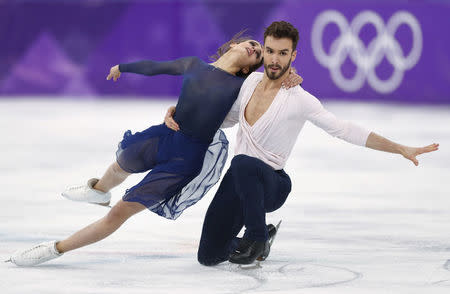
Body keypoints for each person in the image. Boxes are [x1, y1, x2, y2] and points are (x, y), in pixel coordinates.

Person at [6, 31, 302, 267]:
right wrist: (123, 67)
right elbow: (157, 68)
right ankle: (98, 190)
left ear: (252, 67)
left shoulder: (245, 83)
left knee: (118, 214)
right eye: (254, 44)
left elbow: (275, 77)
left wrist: (291, 75)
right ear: (235, 44)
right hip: (165, 135)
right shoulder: (194, 65)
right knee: (121, 162)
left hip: (184, 160)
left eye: (259, 54)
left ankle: (53, 249)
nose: (255, 50)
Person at [165, 21, 439, 266]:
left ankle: (256, 237)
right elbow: (223, 118)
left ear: (293, 56)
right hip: (239, 181)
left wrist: (400, 148)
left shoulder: (300, 99)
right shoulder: (249, 83)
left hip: (272, 183)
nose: (274, 59)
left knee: (242, 162)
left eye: (283, 53)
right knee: (208, 256)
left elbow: (344, 129)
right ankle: (265, 237)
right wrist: (181, 113)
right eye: (270, 51)